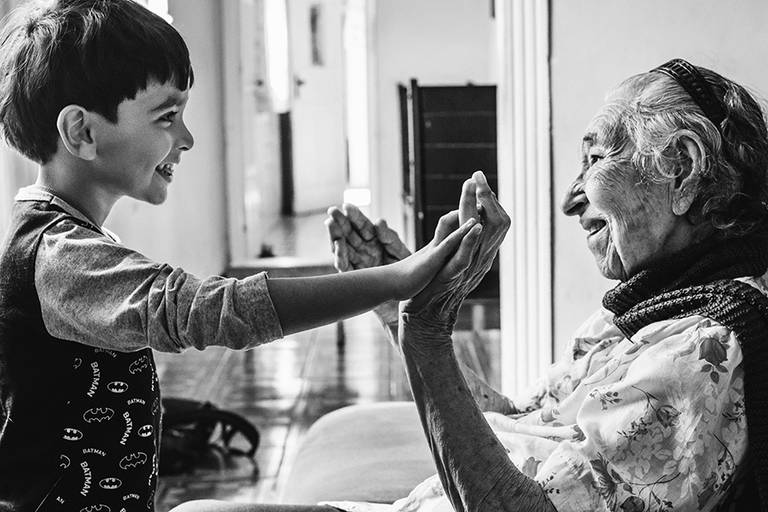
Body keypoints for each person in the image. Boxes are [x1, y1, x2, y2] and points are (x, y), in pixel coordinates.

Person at [178, 58, 768, 511]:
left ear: (683, 171)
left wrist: (427, 335)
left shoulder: (706, 349)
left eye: (594, 159)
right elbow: (518, 420)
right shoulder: (665, 307)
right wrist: (399, 306)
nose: (570, 200)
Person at [0, 1, 483, 510]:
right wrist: (396, 279)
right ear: (82, 132)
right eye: (167, 116)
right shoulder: (58, 256)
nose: (187, 138)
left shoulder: (59, 237)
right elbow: (211, 309)